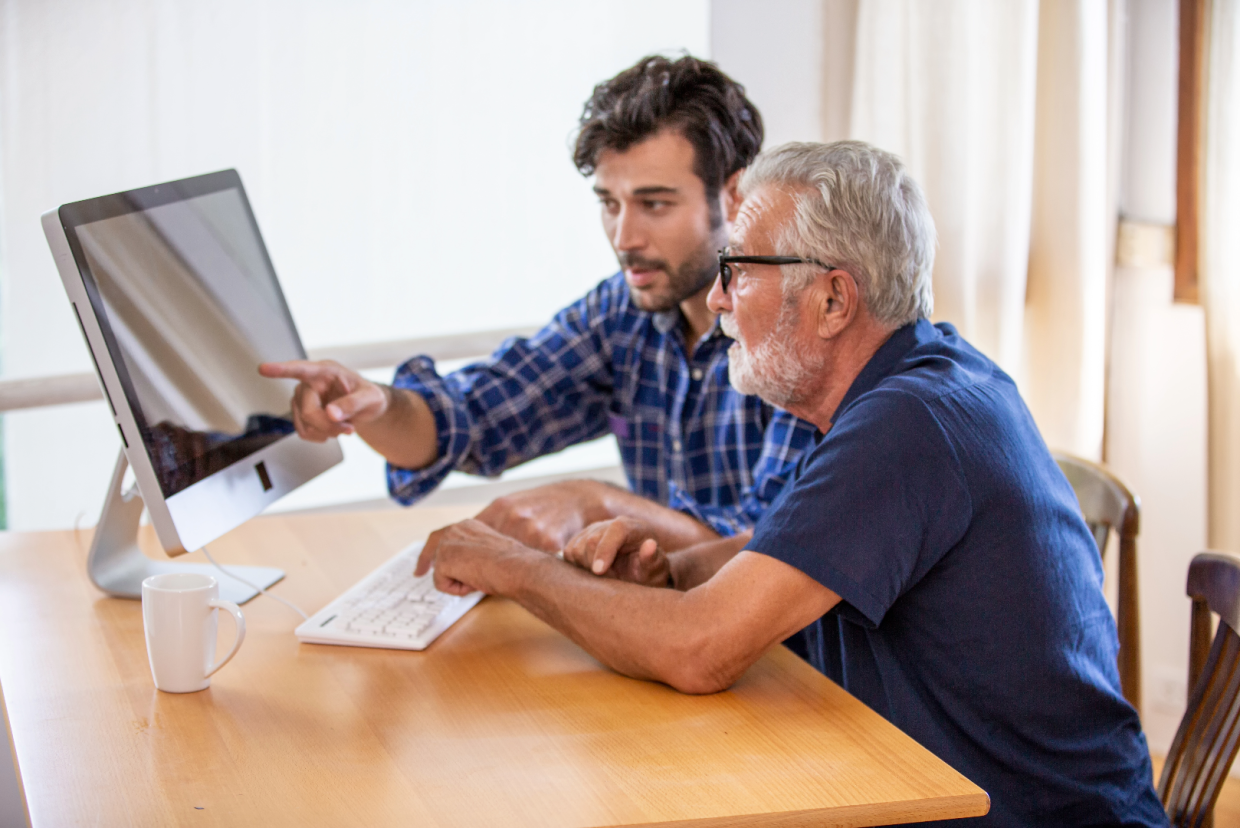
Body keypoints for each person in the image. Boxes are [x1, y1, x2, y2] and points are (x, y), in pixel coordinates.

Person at [414, 141, 1169, 826]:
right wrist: (671, 568)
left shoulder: (906, 426)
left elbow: (698, 652)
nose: (715, 299)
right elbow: (796, 553)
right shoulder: (913, 384)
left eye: (737, 272)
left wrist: (508, 566)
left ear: (834, 300)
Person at [260, 55, 818, 554]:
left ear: (735, 194)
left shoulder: (800, 331)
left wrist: (596, 504)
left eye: (654, 204)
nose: (624, 236)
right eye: (609, 203)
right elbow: (472, 420)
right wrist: (376, 404)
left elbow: (768, 547)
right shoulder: (622, 315)